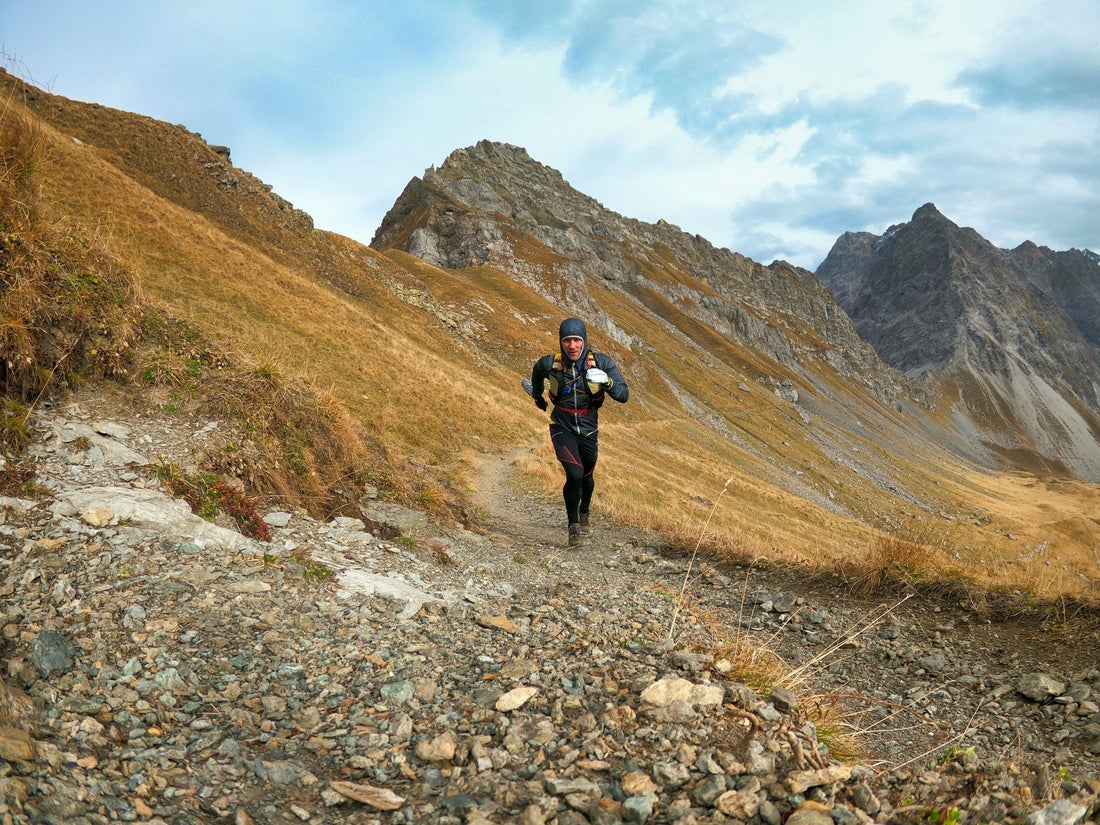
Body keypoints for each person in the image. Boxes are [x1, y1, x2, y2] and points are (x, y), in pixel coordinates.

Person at [529, 318, 629, 547]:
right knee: (574, 474)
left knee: (587, 476)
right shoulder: (549, 364)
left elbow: (624, 395)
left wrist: (608, 382)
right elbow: (536, 374)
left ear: (583, 341)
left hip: (588, 428)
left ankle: (584, 511)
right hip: (561, 425)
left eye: (576, 340)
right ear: (561, 342)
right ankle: (573, 525)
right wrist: (538, 397)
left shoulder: (601, 362)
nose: (572, 346)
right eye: (567, 341)